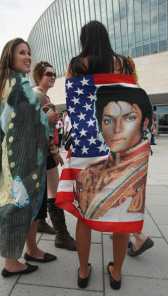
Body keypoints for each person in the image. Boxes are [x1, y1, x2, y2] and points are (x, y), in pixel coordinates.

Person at [55, 21, 152, 290]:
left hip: (87, 149)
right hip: (119, 147)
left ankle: (84, 270)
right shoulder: (121, 63)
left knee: (84, 215)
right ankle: (117, 272)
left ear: (83, 39)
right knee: (121, 214)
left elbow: (75, 109)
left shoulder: (75, 65)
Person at [0, 38, 58, 278]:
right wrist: (48, 120)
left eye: (29, 52)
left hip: (11, 156)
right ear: (10, 57)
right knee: (17, 205)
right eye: (21, 52)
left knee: (22, 205)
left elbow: (17, 118)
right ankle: (11, 263)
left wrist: (40, 115)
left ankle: (31, 249)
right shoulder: (18, 85)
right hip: (21, 160)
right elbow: (25, 122)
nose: (27, 56)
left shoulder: (7, 83)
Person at [33, 61, 76, 251]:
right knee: (54, 190)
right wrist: (54, 151)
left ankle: (41, 222)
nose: (52, 76)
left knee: (46, 189)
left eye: (53, 74)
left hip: (42, 149)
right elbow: (42, 127)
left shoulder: (44, 95)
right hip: (43, 149)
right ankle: (62, 235)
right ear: (38, 77)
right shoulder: (38, 95)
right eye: (48, 74)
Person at [124, 55, 154, 256]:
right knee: (131, 193)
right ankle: (123, 231)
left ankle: (139, 237)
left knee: (123, 193)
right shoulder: (140, 91)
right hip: (140, 152)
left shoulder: (123, 92)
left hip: (127, 152)